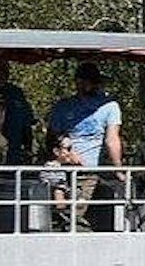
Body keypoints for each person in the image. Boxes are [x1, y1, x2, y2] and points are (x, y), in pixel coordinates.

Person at [47, 62, 123, 232]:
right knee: (62, 213)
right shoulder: (64, 106)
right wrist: (65, 151)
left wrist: (119, 169)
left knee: (78, 214)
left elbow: (112, 139)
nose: (95, 86)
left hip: (90, 171)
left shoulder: (109, 106)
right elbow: (52, 136)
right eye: (87, 81)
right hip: (63, 168)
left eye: (95, 82)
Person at [0, 55, 37, 166]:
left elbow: (27, 124)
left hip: (14, 152)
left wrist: (28, 149)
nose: (1, 72)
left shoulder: (15, 92)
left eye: (4, 68)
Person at [40, 131, 85, 231]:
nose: (72, 153)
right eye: (68, 149)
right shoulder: (53, 169)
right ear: (56, 151)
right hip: (58, 219)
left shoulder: (62, 168)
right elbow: (59, 200)